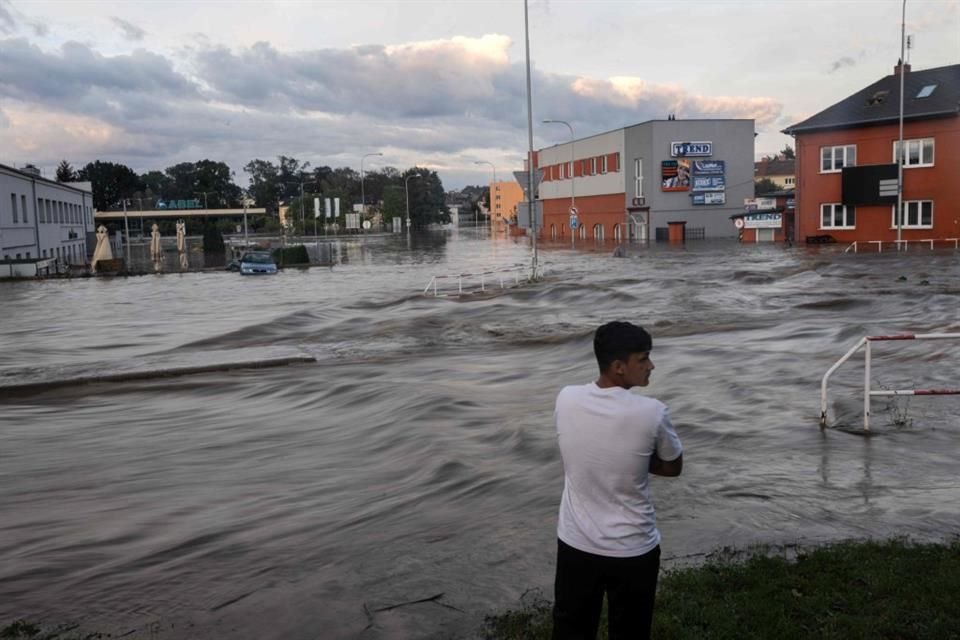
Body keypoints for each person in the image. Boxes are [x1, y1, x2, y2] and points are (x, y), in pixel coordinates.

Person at [552, 321, 683, 640]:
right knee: (630, 631)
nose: (651, 365)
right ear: (618, 366)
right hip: (633, 548)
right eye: (643, 358)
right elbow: (672, 466)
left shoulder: (566, 398)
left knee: (571, 629)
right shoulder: (652, 412)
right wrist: (633, 459)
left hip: (576, 543)